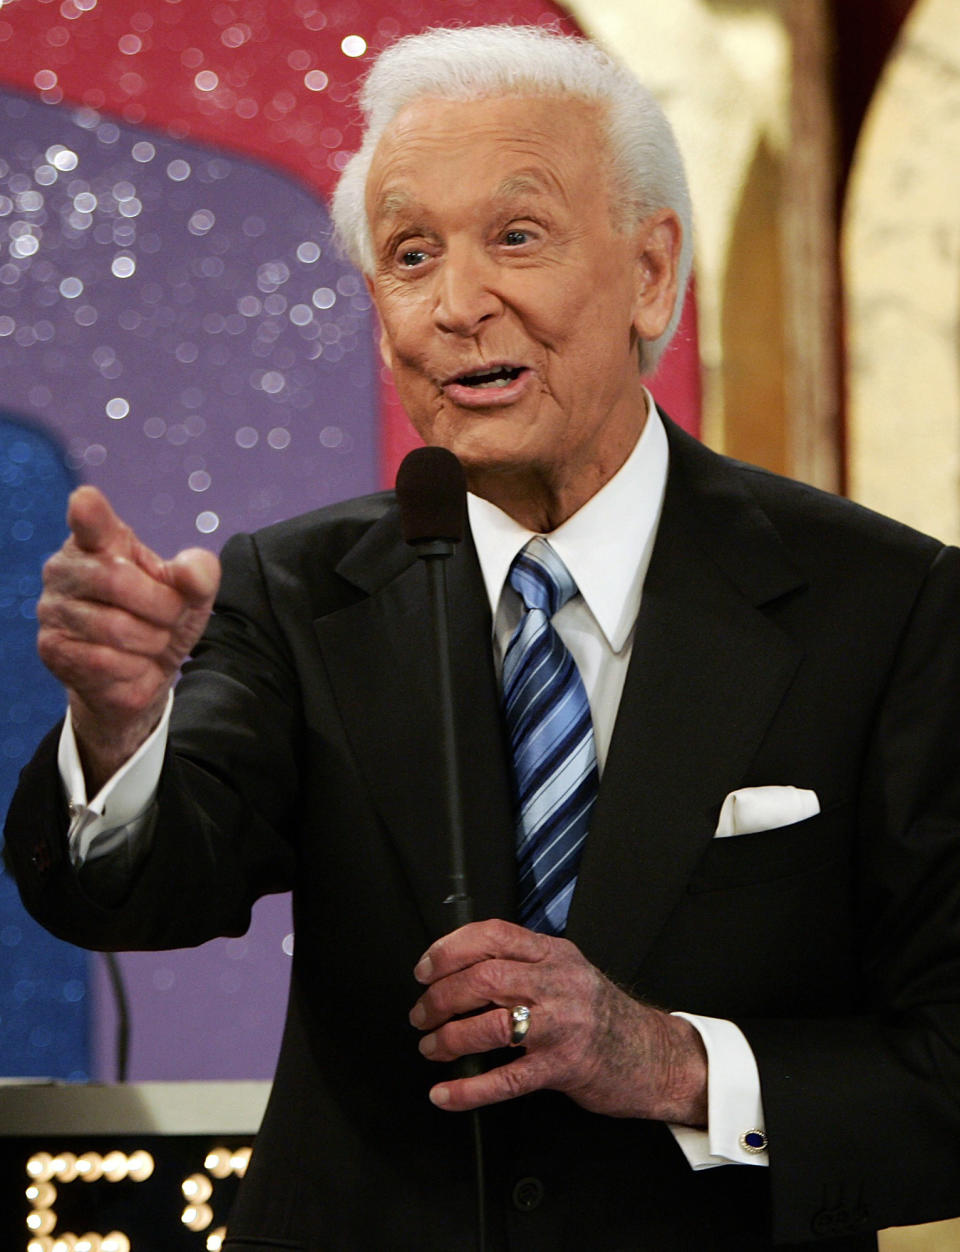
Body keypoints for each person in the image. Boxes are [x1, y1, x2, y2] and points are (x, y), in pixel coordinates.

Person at [5, 24, 960, 1251]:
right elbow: (138, 893)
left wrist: (672, 1062)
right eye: (411, 255)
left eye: (516, 236)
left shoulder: (886, 606)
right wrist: (123, 725)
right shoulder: (297, 589)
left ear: (653, 273)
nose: (459, 304)